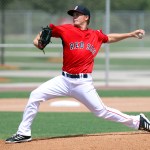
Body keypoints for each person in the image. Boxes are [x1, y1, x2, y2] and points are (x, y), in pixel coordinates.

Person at [6, 5, 150, 143]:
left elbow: (109, 38)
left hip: (83, 83)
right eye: (73, 15)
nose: (74, 17)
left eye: (77, 14)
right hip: (63, 80)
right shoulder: (66, 30)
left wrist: (130, 34)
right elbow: (48, 29)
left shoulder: (95, 35)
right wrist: (37, 40)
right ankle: (23, 133)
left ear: (86, 17)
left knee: (102, 112)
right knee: (35, 95)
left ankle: (138, 121)